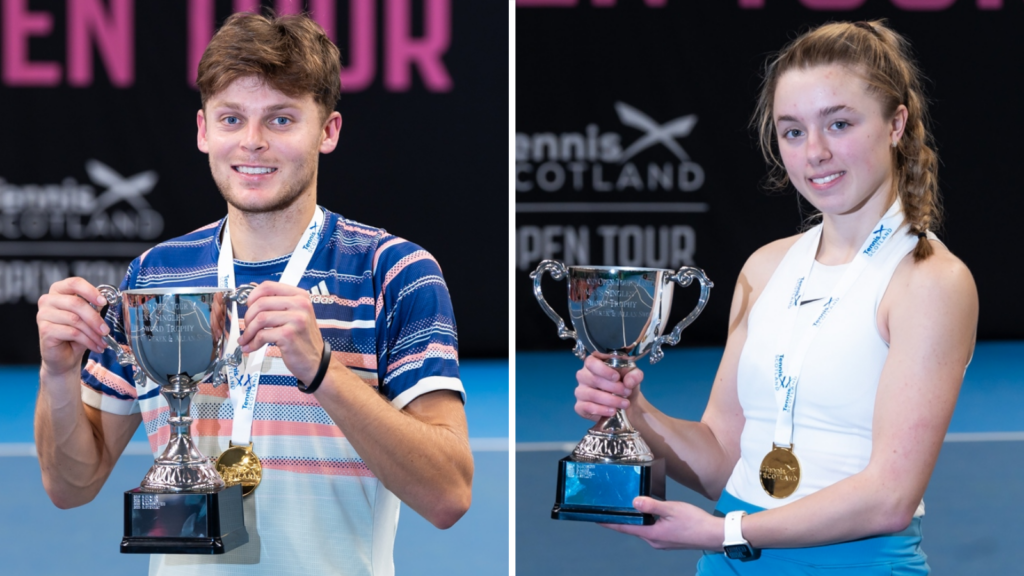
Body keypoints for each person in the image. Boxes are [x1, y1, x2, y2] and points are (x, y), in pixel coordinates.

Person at [34, 12, 472, 576]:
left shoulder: (393, 272)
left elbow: (449, 495)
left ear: (328, 131)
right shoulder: (153, 277)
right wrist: (58, 375)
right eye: (232, 118)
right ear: (202, 131)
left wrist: (322, 372)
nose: (253, 143)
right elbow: (72, 486)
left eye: (282, 119)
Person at [573, 20, 976, 575]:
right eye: (792, 131)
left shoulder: (931, 281)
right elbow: (722, 461)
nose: (815, 152)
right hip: (732, 563)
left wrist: (723, 531)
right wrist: (632, 411)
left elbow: (890, 498)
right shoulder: (764, 268)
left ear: (896, 124)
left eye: (838, 123)